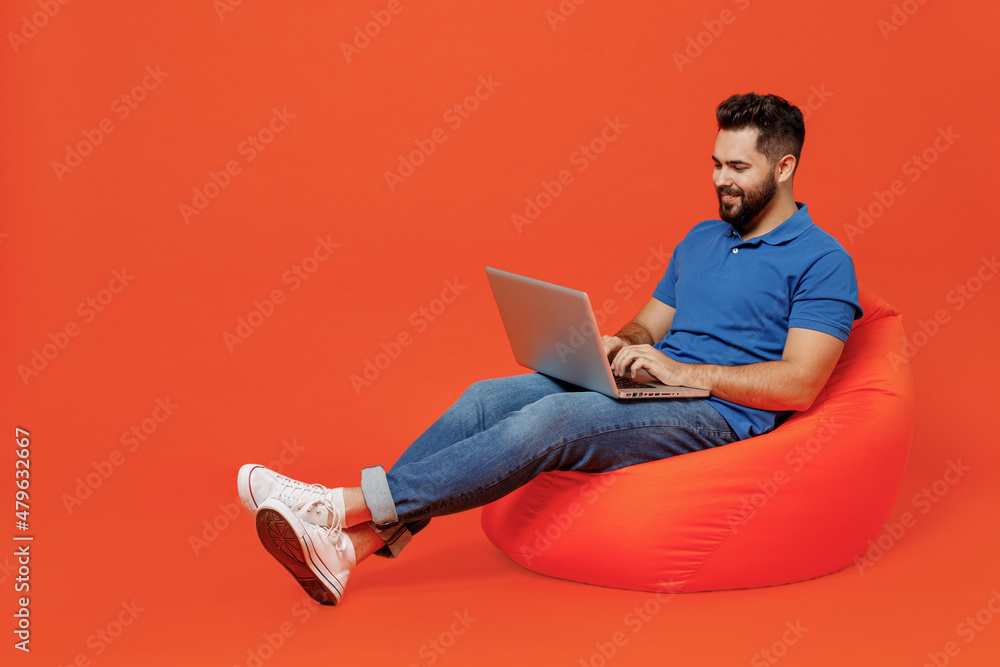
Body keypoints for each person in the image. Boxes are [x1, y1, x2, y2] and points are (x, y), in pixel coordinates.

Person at [237, 92, 862, 606]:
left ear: (783, 169)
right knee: (486, 398)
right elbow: (649, 324)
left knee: (556, 420)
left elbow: (800, 385)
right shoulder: (701, 238)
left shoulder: (824, 261)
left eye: (738, 168)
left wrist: (681, 369)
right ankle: (349, 550)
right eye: (716, 163)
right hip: (660, 385)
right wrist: (623, 345)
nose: (721, 181)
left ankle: (335, 507)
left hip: (720, 413)